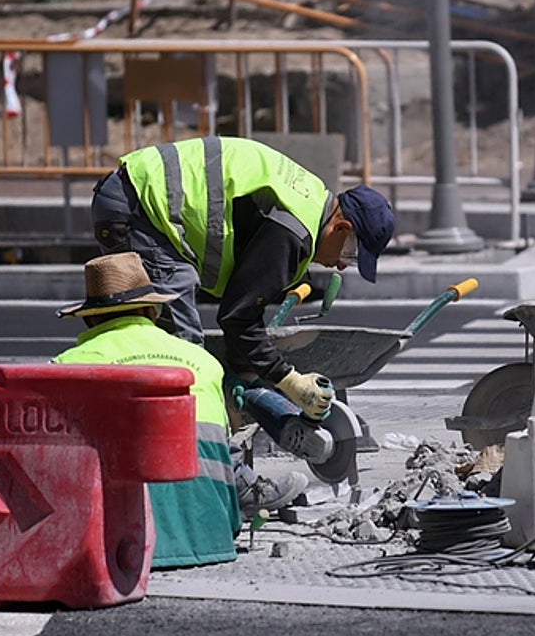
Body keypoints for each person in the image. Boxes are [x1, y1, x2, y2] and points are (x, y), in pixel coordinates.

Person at [90, 135, 395, 422]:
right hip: (139, 206)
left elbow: (242, 306)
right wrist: (288, 380)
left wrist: (246, 370)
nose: (342, 266)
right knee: (184, 351)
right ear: (340, 228)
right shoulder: (293, 231)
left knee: (175, 342)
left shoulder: (310, 199)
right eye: (351, 254)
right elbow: (239, 316)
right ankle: (195, 452)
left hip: (139, 195)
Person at [52, 251, 308, 568]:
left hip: (120, 548)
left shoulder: (67, 367)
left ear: (90, 317)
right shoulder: (204, 362)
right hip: (211, 537)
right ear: (152, 309)